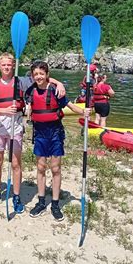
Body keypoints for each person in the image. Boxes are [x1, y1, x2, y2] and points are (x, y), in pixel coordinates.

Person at [0, 53, 66, 214]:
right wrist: (4, 110)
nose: (6, 67)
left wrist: (59, 82)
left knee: (15, 163)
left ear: (13, 65)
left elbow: (41, 78)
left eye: (9, 65)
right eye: (3, 65)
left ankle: (16, 196)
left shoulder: (22, 82)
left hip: (16, 127)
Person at [24, 61, 90, 220]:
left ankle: (54, 203)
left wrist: (83, 112)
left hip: (55, 133)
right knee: (40, 168)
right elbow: (26, 108)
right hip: (39, 133)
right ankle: (41, 202)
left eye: (41, 74)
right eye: (36, 74)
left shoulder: (55, 90)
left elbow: (69, 106)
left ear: (47, 75)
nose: (39, 77)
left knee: (55, 168)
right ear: (32, 76)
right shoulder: (30, 92)